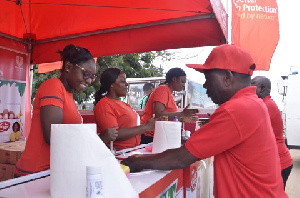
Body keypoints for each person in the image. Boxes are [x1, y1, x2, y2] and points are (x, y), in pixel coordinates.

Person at [122, 44, 287, 197]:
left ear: (227, 78)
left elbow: (181, 158)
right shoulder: (252, 102)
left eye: (208, 78)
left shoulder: (237, 108)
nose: (206, 85)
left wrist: (137, 161)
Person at [14, 44, 100, 177]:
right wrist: (96, 138)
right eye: (86, 74)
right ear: (68, 67)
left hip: (53, 170)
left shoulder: (68, 96)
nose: (89, 81)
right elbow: (53, 136)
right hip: (34, 173)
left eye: (92, 77)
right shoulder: (53, 86)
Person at [94, 68, 156, 150]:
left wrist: (153, 123)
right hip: (119, 153)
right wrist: (146, 127)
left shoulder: (124, 104)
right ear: (111, 84)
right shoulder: (104, 105)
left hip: (133, 150)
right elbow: (114, 134)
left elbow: (132, 126)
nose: (127, 84)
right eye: (122, 81)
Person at [251, 76, 293, 189]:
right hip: (278, 161)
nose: (248, 88)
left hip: (279, 162)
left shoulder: (266, 105)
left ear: (262, 88)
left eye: (252, 85)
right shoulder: (266, 103)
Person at [140, 67, 199, 144]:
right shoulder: (163, 89)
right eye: (182, 82)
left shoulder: (169, 93)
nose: (183, 85)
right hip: (149, 135)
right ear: (174, 79)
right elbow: (158, 114)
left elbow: (169, 116)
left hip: (159, 134)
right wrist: (181, 114)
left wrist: (182, 118)